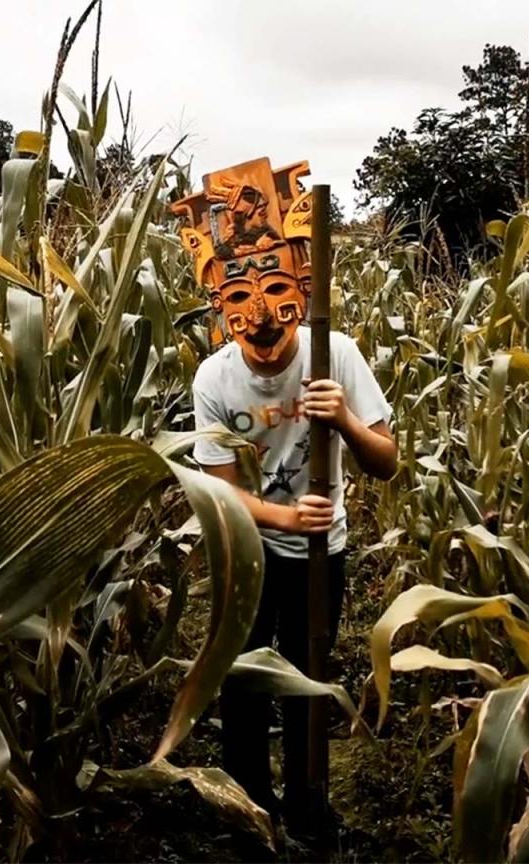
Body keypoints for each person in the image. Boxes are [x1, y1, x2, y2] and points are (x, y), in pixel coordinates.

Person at [173, 157, 398, 837]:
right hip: (251, 547)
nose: (264, 320)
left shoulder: (338, 355)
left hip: (322, 550)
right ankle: (249, 804)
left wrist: (346, 422)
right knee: (243, 679)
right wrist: (281, 516)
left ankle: (308, 800)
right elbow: (222, 492)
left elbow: (386, 462)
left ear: (301, 289)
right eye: (242, 304)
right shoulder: (214, 379)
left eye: (277, 294)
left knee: (308, 677)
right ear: (220, 310)